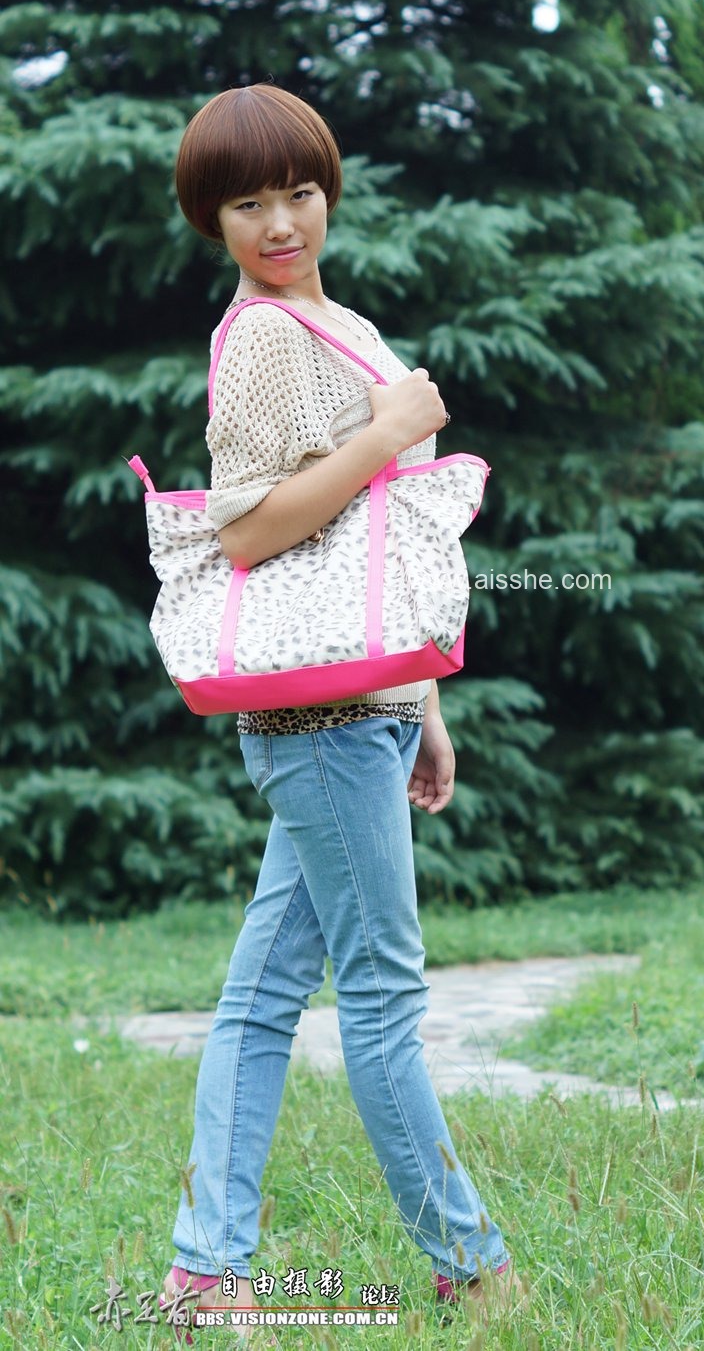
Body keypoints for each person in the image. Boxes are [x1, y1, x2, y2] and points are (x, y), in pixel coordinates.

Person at [161, 83, 516, 1331]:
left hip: (363, 710)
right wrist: (391, 429)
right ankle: (471, 1266)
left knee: (265, 999)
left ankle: (206, 1274)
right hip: (319, 723)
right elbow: (248, 531)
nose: (279, 223)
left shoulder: (340, 323)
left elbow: (380, 547)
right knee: (382, 1000)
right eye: (246, 204)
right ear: (211, 219)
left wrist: (421, 703)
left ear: (329, 192)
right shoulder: (264, 337)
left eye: (299, 192)